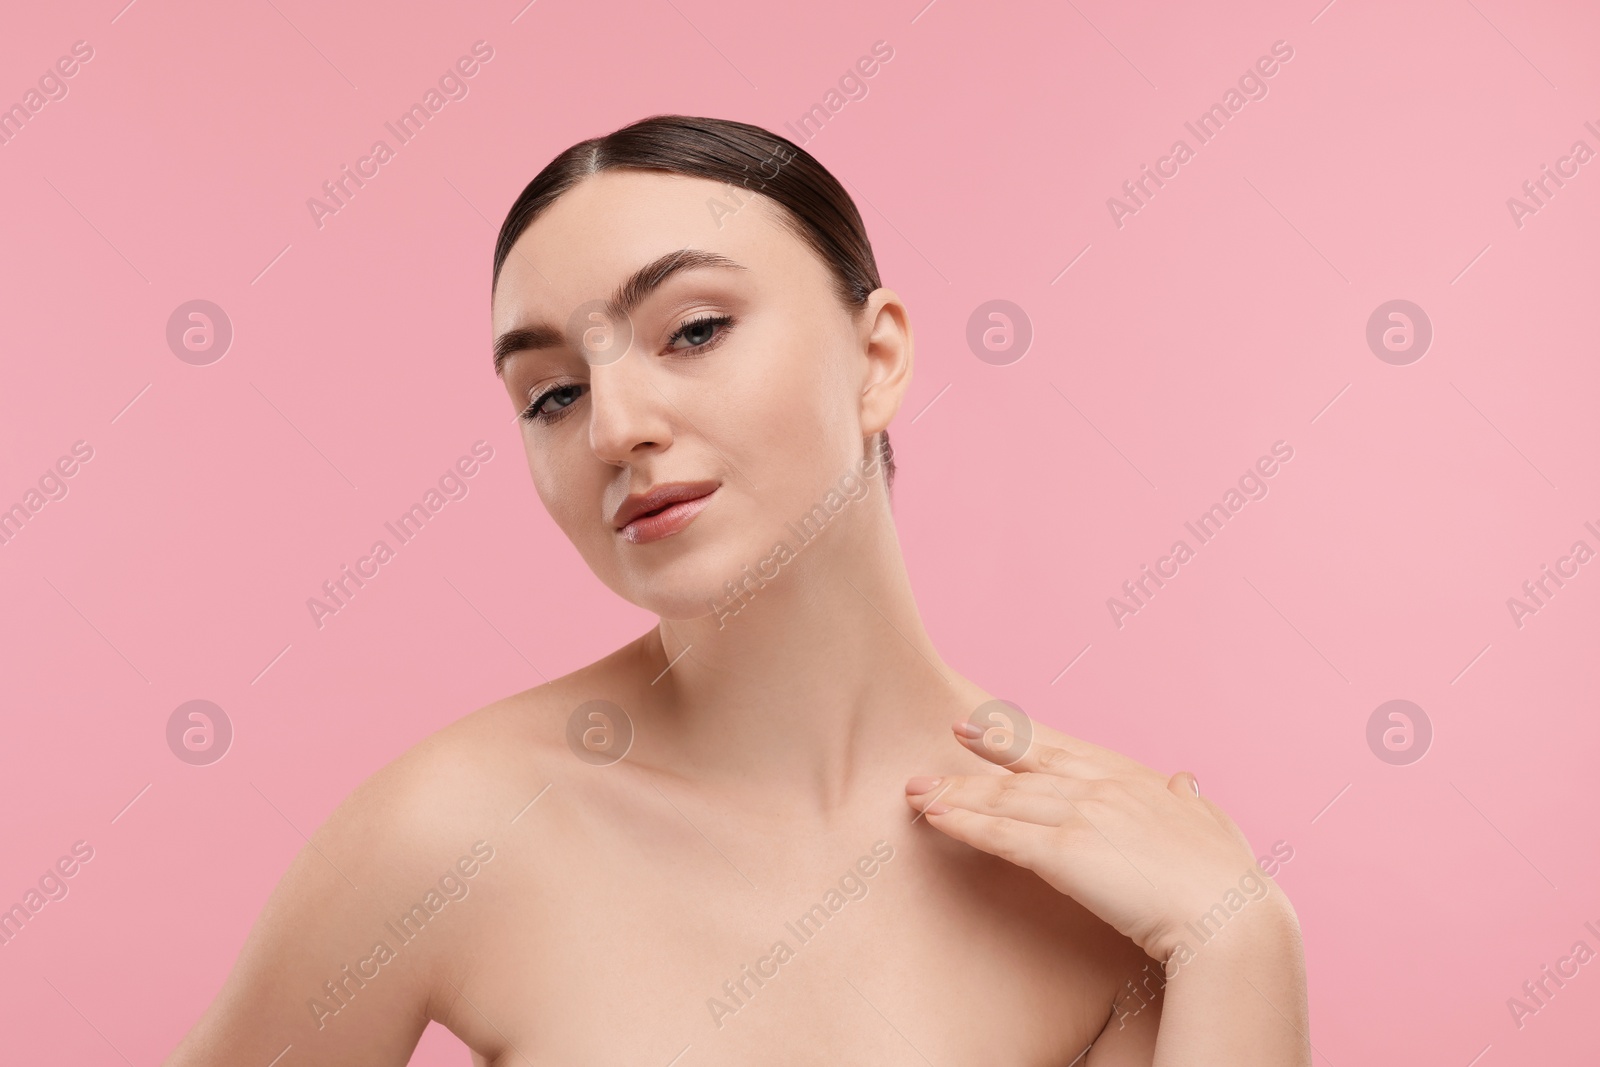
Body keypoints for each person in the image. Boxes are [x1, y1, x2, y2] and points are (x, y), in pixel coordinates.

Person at [164, 114, 1308, 1066]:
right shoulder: (450, 829)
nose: (616, 427)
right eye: (552, 394)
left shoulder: (1100, 883)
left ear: (877, 359)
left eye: (694, 329)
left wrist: (1244, 939)